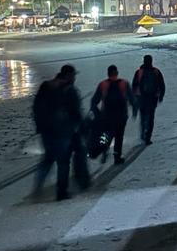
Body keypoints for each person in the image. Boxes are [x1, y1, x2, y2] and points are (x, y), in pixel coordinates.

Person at [32, 64, 89, 199]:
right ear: (69, 75)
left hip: (46, 131)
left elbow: (36, 107)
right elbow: (76, 113)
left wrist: (39, 126)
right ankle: (62, 192)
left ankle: (38, 186)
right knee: (63, 162)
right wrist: (83, 129)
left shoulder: (46, 86)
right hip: (63, 131)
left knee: (48, 158)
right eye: (73, 75)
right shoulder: (70, 90)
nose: (74, 78)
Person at [91, 64, 134, 164]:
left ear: (108, 73)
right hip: (121, 115)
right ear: (117, 73)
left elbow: (94, 100)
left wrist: (97, 113)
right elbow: (131, 98)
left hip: (106, 115)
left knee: (106, 134)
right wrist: (135, 108)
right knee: (119, 136)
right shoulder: (124, 83)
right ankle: (117, 156)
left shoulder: (103, 84)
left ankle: (103, 148)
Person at [132, 53, 166, 144]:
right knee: (150, 118)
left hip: (141, 98)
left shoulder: (139, 72)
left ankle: (143, 134)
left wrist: (134, 98)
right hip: (152, 98)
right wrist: (161, 96)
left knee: (143, 117)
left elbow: (134, 86)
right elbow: (162, 85)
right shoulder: (156, 71)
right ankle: (148, 137)